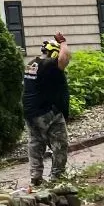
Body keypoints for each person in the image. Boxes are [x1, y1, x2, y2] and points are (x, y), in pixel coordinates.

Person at [22, 31, 71, 188]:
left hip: (30, 112)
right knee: (60, 144)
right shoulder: (48, 65)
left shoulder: (32, 64)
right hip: (46, 112)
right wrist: (62, 42)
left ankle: (36, 177)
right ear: (54, 52)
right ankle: (57, 176)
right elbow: (64, 58)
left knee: (36, 144)